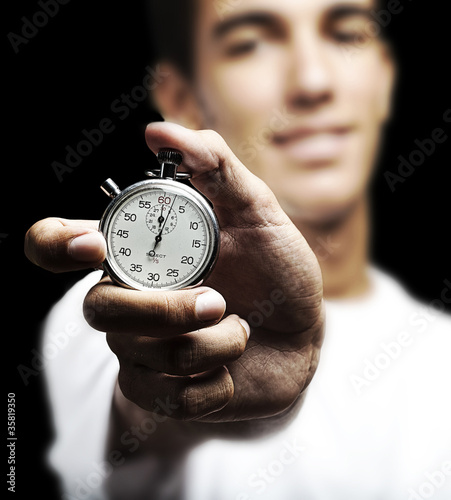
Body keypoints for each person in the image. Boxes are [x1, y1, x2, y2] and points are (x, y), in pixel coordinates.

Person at [24, 0, 451, 499]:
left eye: (347, 34)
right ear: (181, 100)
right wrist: (180, 380)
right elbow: (132, 434)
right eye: (250, 43)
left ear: (384, 76)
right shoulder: (100, 316)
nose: (314, 82)